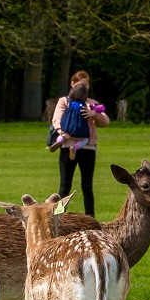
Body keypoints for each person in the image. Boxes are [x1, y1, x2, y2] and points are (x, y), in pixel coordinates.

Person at [51, 72, 109, 217]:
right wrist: (63, 133)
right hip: (67, 146)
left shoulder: (92, 103)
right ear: (72, 84)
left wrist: (94, 114)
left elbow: (105, 122)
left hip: (88, 148)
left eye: (86, 84)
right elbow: (56, 119)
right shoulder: (64, 101)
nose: (83, 87)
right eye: (80, 84)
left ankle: (90, 218)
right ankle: (58, 216)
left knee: (87, 186)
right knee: (65, 185)